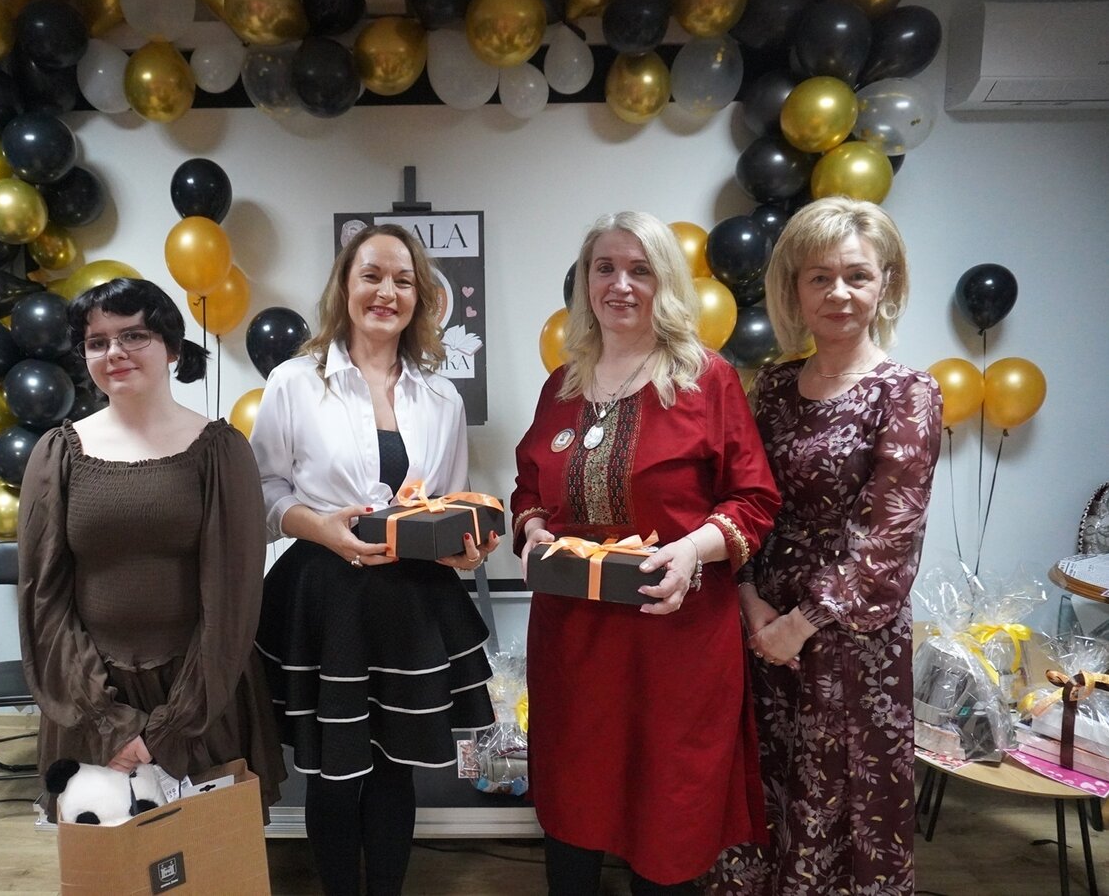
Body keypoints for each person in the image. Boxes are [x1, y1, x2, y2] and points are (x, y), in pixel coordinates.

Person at [511, 212, 781, 895]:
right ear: (586, 282)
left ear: (665, 283)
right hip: (573, 643)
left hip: (675, 641)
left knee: (666, 811)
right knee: (573, 798)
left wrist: (692, 550)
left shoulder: (706, 380)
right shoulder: (561, 386)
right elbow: (528, 487)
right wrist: (533, 527)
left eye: (640, 269)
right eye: (604, 268)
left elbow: (754, 498)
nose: (620, 284)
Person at [249, 224, 498, 896]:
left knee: (396, 767)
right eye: (372, 275)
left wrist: (465, 548)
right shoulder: (294, 382)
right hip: (324, 597)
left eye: (403, 280)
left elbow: (445, 503)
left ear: (420, 298)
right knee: (333, 771)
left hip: (412, 600)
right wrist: (318, 527)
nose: (387, 291)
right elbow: (262, 491)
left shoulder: (441, 397)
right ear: (345, 286)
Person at [717, 197, 942, 895]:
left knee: (837, 800)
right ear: (794, 289)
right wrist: (748, 598)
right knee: (763, 790)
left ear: (885, 284)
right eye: (819, 277)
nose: (838, 293)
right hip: (761, 629)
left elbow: (890, 536)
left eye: (856, 275)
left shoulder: (907, 393)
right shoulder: (774, 386)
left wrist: (802, 622)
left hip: (848, 639)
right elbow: (746, 497)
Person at [17, 277, 285, 812]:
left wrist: (172, 726)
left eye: (133, 335)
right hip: (90, 694)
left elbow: (232, 600)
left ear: (172, 348)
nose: (114, 352)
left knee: (209, 855)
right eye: (97, 342)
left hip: (201, 696)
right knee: (106, 854)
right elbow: (43, 598)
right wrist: (106, 721)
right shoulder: (58, 453)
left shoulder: (220, 451)